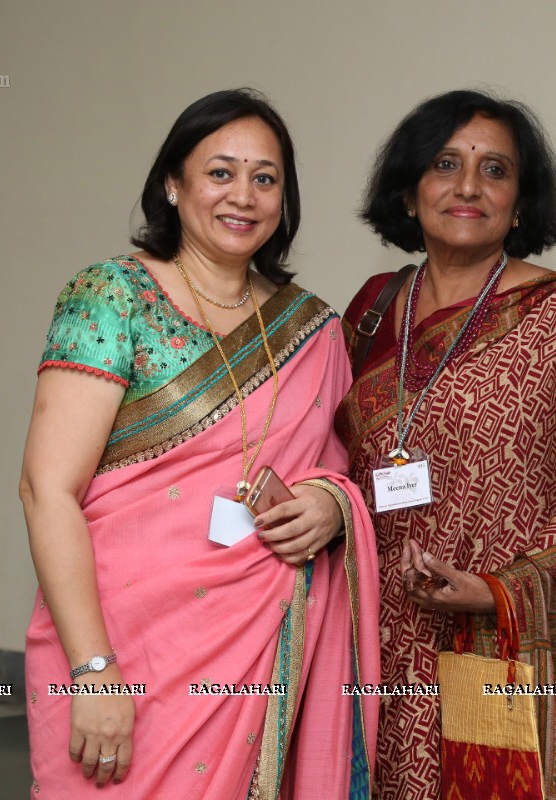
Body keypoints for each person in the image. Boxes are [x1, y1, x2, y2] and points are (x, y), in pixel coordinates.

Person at [19, 88, 379, 799]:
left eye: (265, 178)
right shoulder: (110, 296)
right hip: (119, 644)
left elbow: (336, 471)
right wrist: (94, 670)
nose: (243, 195)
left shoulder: (313, 328)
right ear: (173, 186)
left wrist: (332, 506)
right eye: (220, 172)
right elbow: (45, 490)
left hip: (258, 652)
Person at [335, 89, 556, 800]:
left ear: (520, 200)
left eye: (495, 170)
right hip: (371, 643)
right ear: (410, 193)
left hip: (496, 649)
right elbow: (328, 461)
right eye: (446, 164)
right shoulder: (372, 310)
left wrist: (499, 593)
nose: (469, 186)